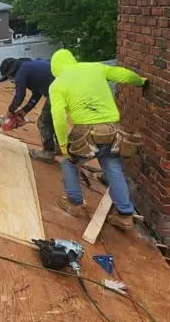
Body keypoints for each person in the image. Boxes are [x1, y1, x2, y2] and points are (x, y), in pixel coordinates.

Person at [49, 49, 148, 229]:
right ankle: (125, 215)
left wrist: (63, 145)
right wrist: (140, 81)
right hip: (113, 132)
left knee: (68, 162)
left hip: (87, 134)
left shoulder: (57, 84)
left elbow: (58, 117)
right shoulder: (96, 68)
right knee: (113, 167)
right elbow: (124, 75)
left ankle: (75, 203)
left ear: (55, 67)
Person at [0, 57, 57, 160]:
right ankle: (58, 147)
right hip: (63, 89)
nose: (11, 81)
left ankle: (48, 153)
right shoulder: (29, 67)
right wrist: (25, 110)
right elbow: (37, 93)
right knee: (52, 120)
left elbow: (20, 96)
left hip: (57, 93)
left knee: (43, 123)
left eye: (9, 78)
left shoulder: (21, 72)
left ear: (11, 72)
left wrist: (10, 111)